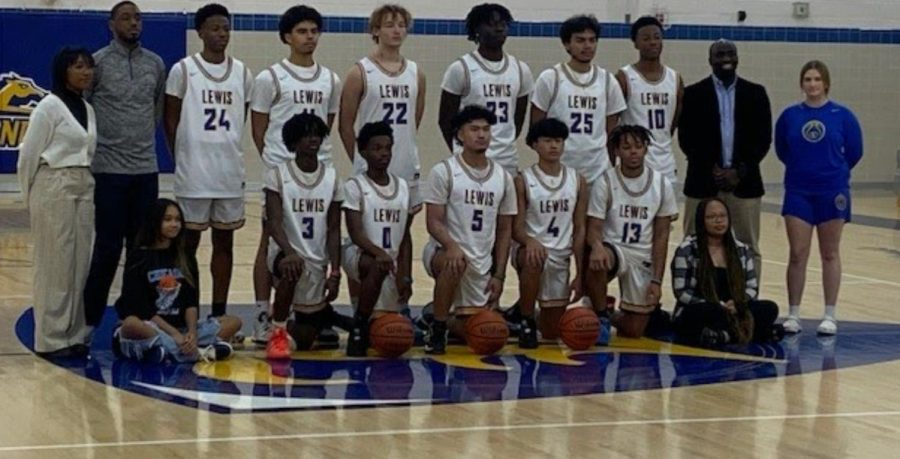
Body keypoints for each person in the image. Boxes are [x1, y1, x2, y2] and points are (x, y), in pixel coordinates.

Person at [249, 5, 341, 346]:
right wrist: (277, 161)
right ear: (287, 37)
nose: (309, 37)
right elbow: (259, 127)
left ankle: (312, 310)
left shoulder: (330, 78)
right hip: (281, 167)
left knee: (315, 238)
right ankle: (263, 315)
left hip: (318, 167)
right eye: (302, 31)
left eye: (314, 31)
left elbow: (327, 124)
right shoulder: (270, 77)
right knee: (269, 239)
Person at [163, 3, 252, 318]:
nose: (222, 34)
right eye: (215, 28)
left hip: (228, 172)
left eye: (226, 28)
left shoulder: (242, 72)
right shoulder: (183, 70)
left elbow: (241, 117)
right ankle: (188, 310)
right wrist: (182, 158)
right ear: (200, 32)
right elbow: (170, 119)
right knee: (187, 246)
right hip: (194, 173)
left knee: (224, 244)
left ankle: (218, 312)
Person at [84, 1, 167, 329]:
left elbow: (156, 109)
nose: (133, 23)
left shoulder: (156, 64)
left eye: (137, 18)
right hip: (108, 172)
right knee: (106, 249)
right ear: (111, 24)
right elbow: (85, 110)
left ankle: (134, 318)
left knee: (141, 250)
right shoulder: (98, 63)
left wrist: (139, 141)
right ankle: (88, 321)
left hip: (145, 171)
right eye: (125, 18)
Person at [17, 47, 97, 358]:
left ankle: (73, 335)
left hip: (83, 184)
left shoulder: (88, 109)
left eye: (89, 67)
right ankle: (50, 339)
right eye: (78, 66)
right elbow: (28, 157)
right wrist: (32, 199)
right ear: (63, 70)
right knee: (55, 264)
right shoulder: (48, 107)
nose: (86, 72)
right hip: (54, 184)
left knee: (80, 264)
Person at [775, 60, 863, 335]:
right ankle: (794, 313)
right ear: (801, 83)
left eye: (816, 79)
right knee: (798, 254)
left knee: (830, 253)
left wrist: (832, 171)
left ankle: (830, 314)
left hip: (832, 191)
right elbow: (782, 149)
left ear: (826, 83)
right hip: (799, 191)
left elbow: (855, 151)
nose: (812, 84)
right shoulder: (789, 116)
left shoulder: (843, 116)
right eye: (807, 79)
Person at [422, 105, 517, 354]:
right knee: (455, 262)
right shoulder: (444, 171)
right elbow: (433, 222)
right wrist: (452, 246)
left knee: (480, 333)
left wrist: (499, 275)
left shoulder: (503, 177)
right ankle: (438, 329)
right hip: (444, 252)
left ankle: (434, 314)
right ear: (460, 134)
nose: (482, 134)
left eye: (486, 129)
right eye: (474, 129)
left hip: (481, 260)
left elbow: (505, 230)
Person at [679, 40, 772, 278]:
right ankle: (697, 302)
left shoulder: (756, 93)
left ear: (738, 58)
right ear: (710, 61)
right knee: (694, 244)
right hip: (702, 183)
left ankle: (746, 304)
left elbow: (763, 140)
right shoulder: (692, 94)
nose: (726, 58)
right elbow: (687, 141)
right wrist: (713, 170)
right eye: (720, 55)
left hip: (745, 184)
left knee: (747, 246)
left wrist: (738, 172)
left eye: (731, 54)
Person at [113, 199, 242, 363]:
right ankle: (199, 353)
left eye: (177, 220)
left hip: (180, 327)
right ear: (154, 222)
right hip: (152, 326)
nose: (174, 224)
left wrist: (192, 333)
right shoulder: (138, 257)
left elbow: (190, 302)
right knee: (131, 325)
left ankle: (161, 351)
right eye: (168, 219)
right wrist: (174, 335)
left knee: (234, 322)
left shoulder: (185, 256)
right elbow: (141, 309)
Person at [585, 125, 678, 338]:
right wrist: (597, 247)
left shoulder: (662, 184)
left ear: (646, 148)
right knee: (596, 258)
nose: (633, 151)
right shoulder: (605, 181)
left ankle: (610, 313)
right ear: (616, 151)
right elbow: (594, 228)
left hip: (642, 255)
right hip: (614, 249)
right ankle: (600, 315)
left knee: (634, 330)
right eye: (626, 147)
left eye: (638, 146)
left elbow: (662, 236)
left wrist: (656, 281)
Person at [264, 114, 344, 358]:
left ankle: (288, 322)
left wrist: (335, 272)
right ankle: (277, 332)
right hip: (284, 253)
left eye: (317, 134)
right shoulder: (277, 175)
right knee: (291, 266)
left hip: (317, 258)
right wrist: (289, 252)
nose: (313, 139)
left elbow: (334, 229)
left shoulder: (331, 177)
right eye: (307, 135)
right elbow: (274, 223)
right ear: (293, 141)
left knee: (306, 339)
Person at [339, 4, 425, 210]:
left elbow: (415, 120)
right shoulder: (360, 72)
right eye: (389, 25)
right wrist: (361, 159)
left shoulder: (416, 73)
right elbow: (345, 126)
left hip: (405, 161)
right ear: (376, 30)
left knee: (404, 229)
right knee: (368, 227)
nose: (397, 30)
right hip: (370, 164)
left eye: (402, 25)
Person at [512, 118, 588, 348]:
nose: (554, 146)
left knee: (551, 332)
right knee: (534, 258)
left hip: (561, 254)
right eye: (547, 141)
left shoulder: (577, 180)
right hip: (530, 250)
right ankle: (525, 319)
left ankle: (519, 318)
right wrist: (530, 240)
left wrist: (580, 274)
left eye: (558, 141)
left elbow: (580, 228)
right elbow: (516, 228)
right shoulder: (523, 180)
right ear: (534, 145)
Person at [341, 121, 414, 356]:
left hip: (389, 260)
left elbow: (405, 237)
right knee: (376, 265)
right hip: (359, 254)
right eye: (377, 148)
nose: (384, 153)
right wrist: (379, 252)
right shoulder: (354, 186)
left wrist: (406, 275)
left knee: (388, 329)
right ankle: (359, 325)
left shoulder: (403, 186)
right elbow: (355, 233)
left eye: (388, 148)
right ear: (363, 152)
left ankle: (364, 322)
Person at [671, 198, 781, 347]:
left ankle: (724, 336)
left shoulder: (741, 249)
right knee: (694, 316)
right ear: (701, 221)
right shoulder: (687, 249)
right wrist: (716, 305)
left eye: (722, 216)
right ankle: (750, 333)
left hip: (734, 309)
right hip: (705, 308)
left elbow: (752, 288)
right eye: (711, 217)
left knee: (769, 308)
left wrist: (738, 304)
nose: (718, 221)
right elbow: (681, 292)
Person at [530, 14, 626, 185]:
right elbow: (535, 130)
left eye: (592, 40)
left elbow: (612, 133)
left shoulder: (608, 81)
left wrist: (611, 168)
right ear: (567, 44)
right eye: (580, 40)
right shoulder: (550, 78)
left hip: (598, 171)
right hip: (559, 170)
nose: (587, 46)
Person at [438, 3, 533, 175]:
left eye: (502, 24)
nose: (498, 29)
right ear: (477, 30)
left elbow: (517, 120)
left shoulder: (520, 70)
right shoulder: (461, 68)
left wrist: (503, 143)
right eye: (491, 24)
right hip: (469, 162)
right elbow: (445, 120)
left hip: (507, 162)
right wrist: (462, 151)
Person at [616, 16, 683, 188]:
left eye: (657, 37)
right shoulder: (624, 77)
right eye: (646, 38)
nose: (653, 42)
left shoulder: (675, 79)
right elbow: (612, 124)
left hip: (665, 164)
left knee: (666, 215)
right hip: (633, 165)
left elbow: (672, 124)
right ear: (636, 43)